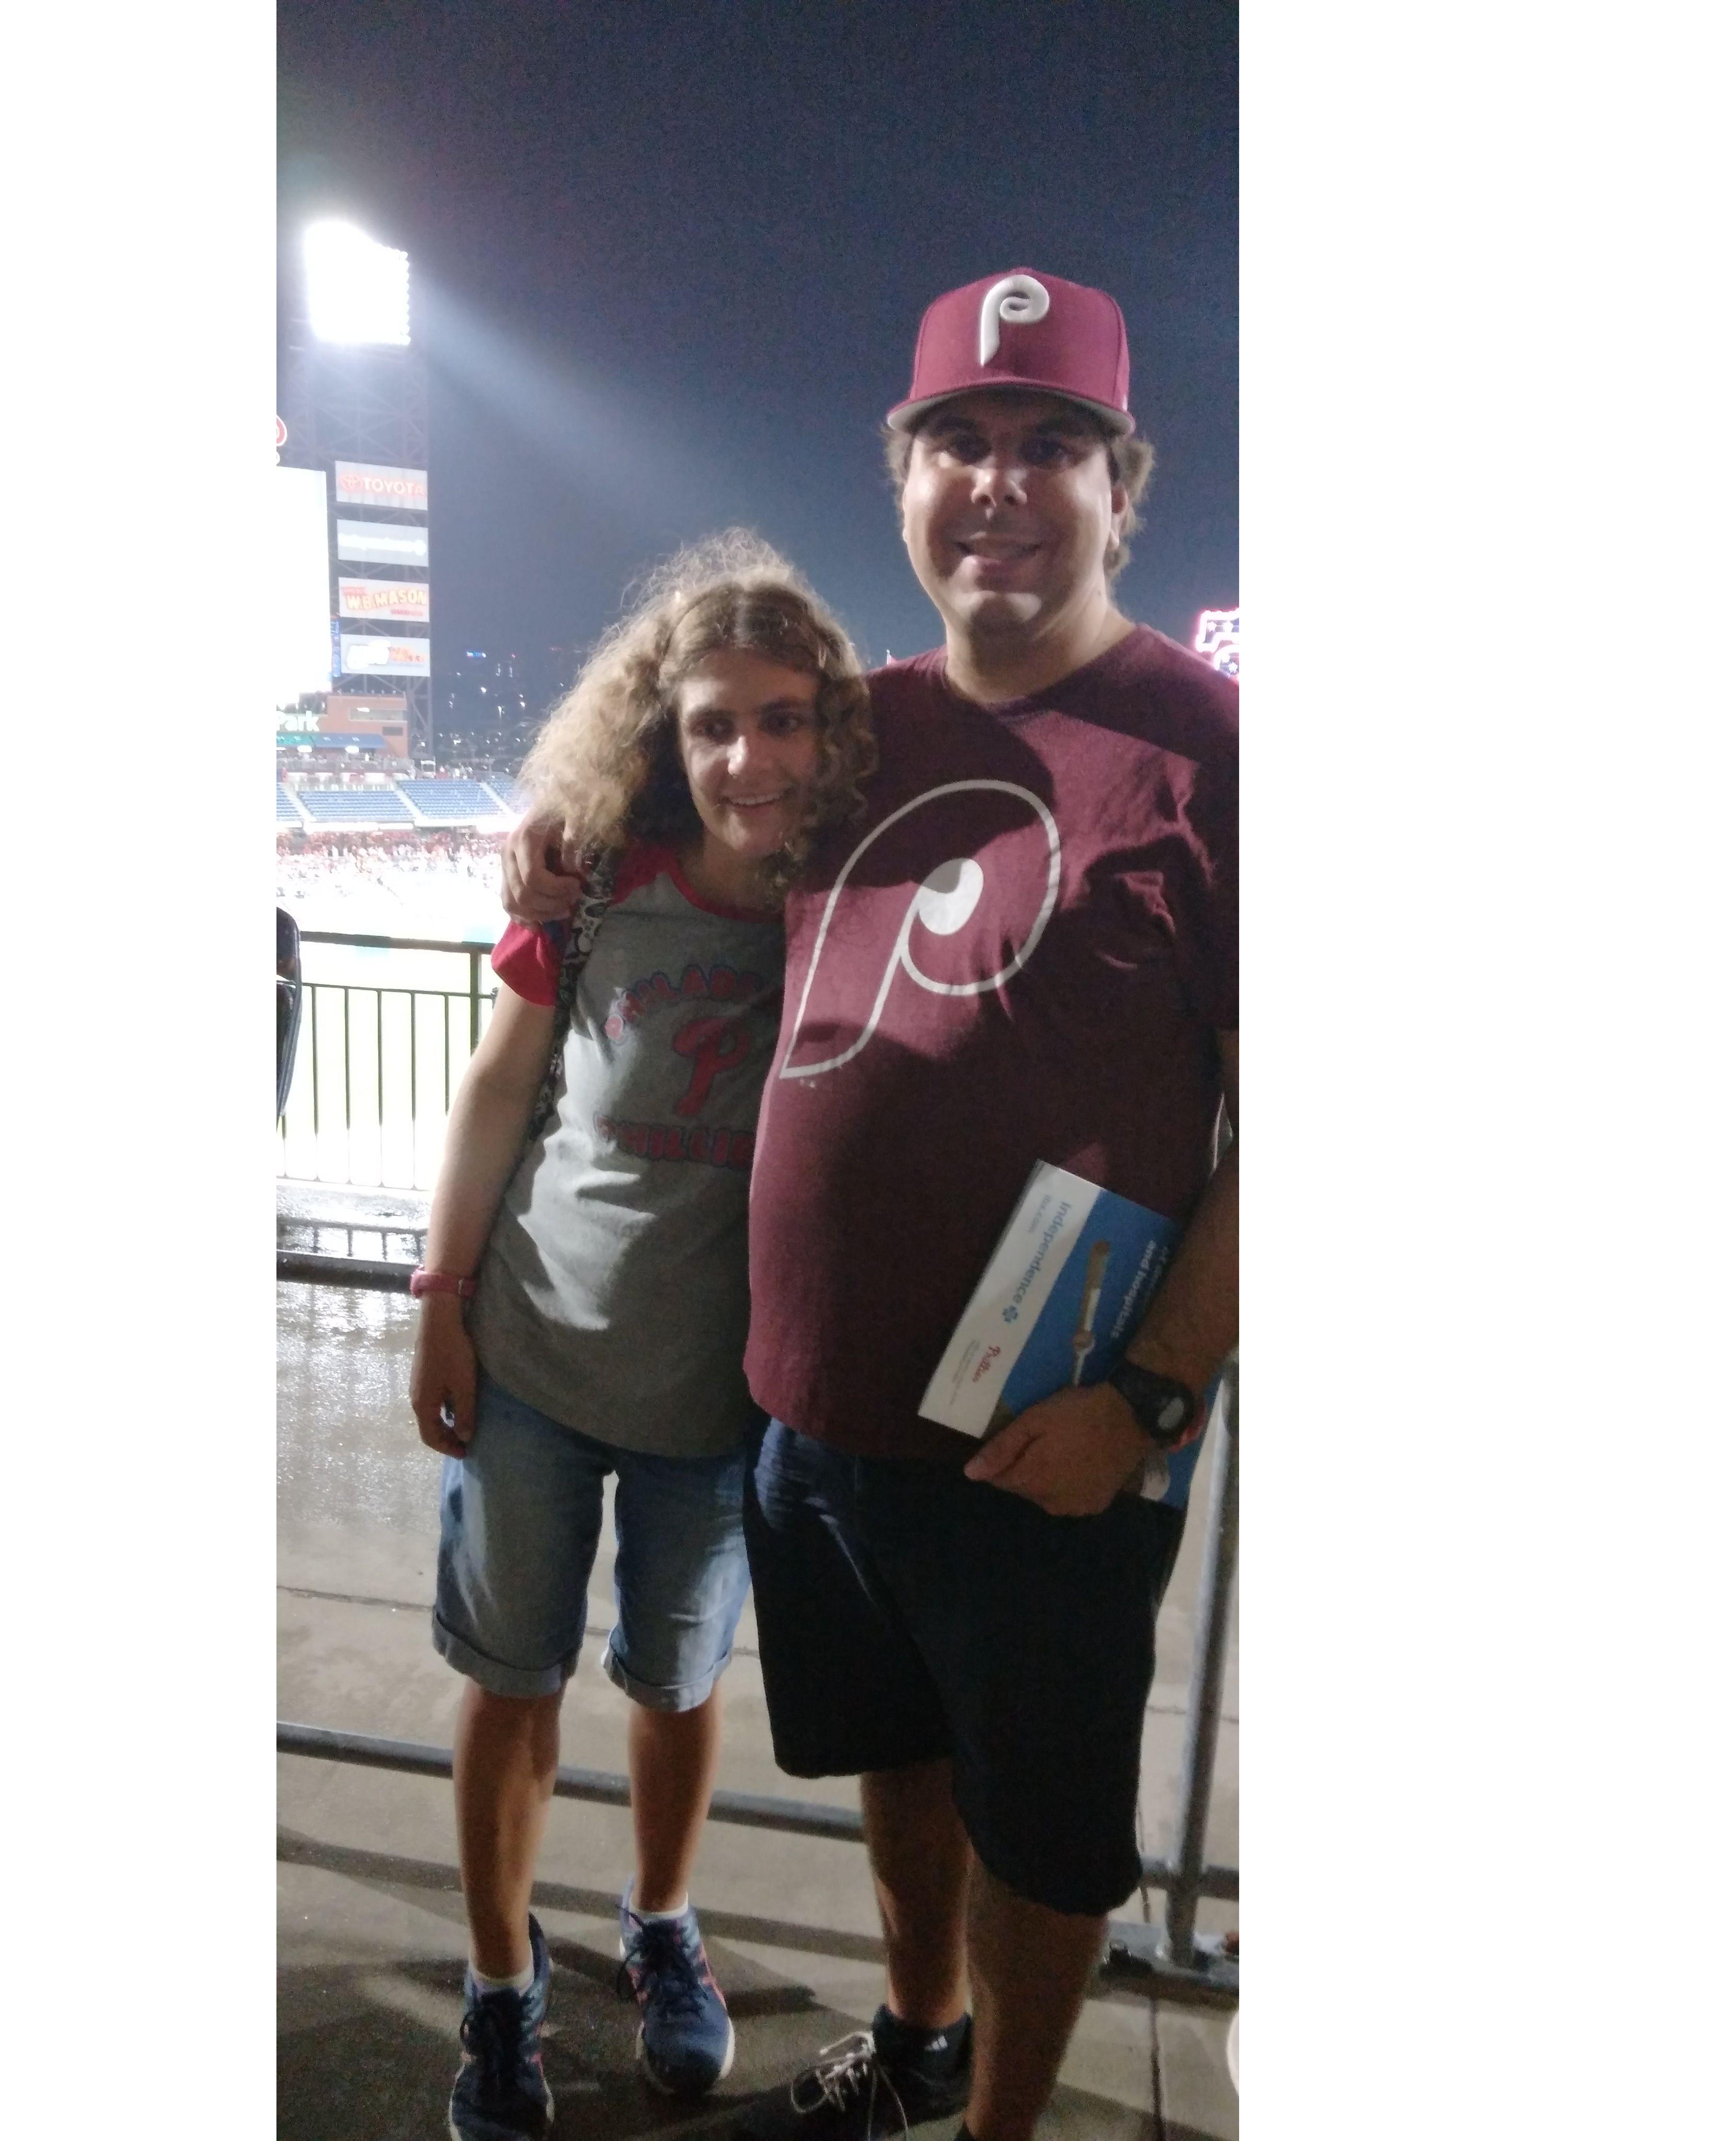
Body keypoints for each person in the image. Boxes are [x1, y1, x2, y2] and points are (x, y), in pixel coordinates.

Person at [502, 268, 1238, 2141]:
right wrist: (552, 845)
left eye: (1051, 444)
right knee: (898, 1768)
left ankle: (1001, 2124)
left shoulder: (1219, 750)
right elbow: (674, 795)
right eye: (959, 442)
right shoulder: (851, 731)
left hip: (1052, 1437)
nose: (1000, 483)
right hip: (815, 1417)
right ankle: (918, 2045)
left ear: (1122, 488)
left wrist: (1150, 1396)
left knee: (1045, 1829)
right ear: (902, 484)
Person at [408, 533, 874, 2141]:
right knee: (511, 1682)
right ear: (664, 739)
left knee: (676, 1685)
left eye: (785, 717)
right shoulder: (598, 876)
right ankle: (499, 1983)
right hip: (534, 1358)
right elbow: (498, 1089)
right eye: (712, 724)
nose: (749, 757)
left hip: (717, 1394)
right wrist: (440, 1299)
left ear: (834, 727)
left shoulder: (851, 900)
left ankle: (661, 1923)